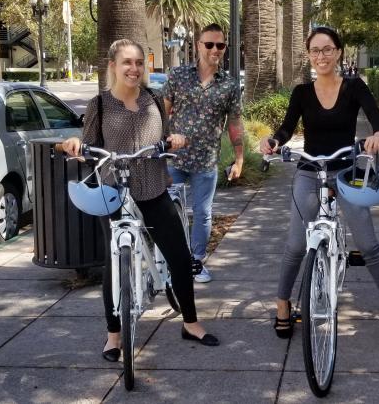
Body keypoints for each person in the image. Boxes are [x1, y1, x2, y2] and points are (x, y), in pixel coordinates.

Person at [61, 39, 219, 362]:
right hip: (115, 192)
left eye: (138, 63)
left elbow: (166, 137)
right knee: (114, 263)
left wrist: (174, 140)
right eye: (127, 63)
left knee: (179, 256)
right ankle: (113, 336)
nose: (134, 69)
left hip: (154, 188)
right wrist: (76, 145)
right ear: (113, 67)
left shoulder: (153, 100)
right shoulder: (100, 105)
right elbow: (89, 145)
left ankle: (190, 322)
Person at [259, 27, 379, 343]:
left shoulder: (354, 87)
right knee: (296, 244)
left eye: (327, 50)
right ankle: (282, 302)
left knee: (367, 243)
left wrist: (378, 134)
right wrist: (273, 140)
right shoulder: (301, 92)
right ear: (309, 55)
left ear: (338, 52)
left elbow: (375, 116)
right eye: (315, 51)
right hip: (310, 171)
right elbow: (285, 128)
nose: (321, 56)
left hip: (347, 171)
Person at [161, 23, 245, 284]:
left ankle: (196, 261)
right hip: (175, 158)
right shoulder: (178, 76)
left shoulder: (230, 85)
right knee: (168, 212)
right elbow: (162, 112)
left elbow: (234, 123)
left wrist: (239, 158)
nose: (215, 50)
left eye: (220, 45)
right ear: (198, 45)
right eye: (209, 44)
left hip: (206, 161)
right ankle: (169, 262)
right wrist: (159, 142)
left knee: (203, 213)